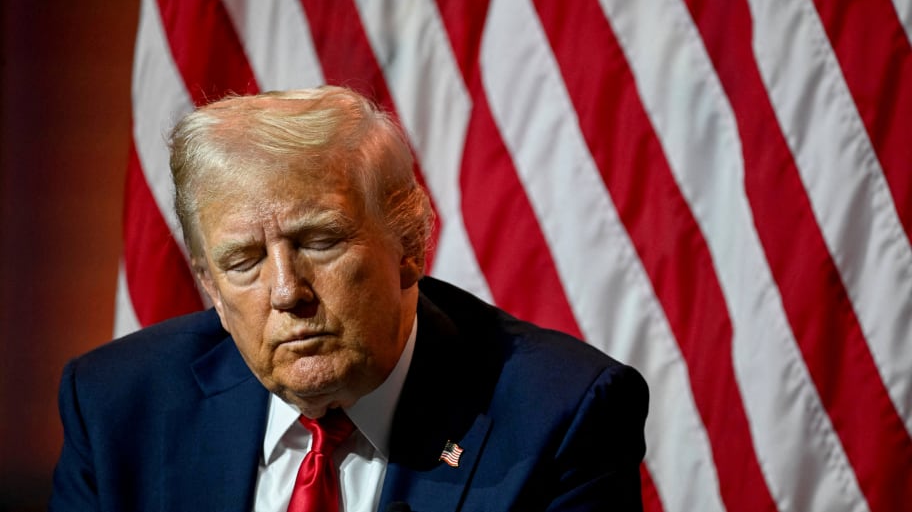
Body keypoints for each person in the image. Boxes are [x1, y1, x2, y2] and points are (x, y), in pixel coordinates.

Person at [49, 86, 649, 512]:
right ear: (209, 283)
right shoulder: (117, 405)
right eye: (243, 262)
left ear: (410, 244)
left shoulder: (561, 414)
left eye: (320, 241)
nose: (286, 291)